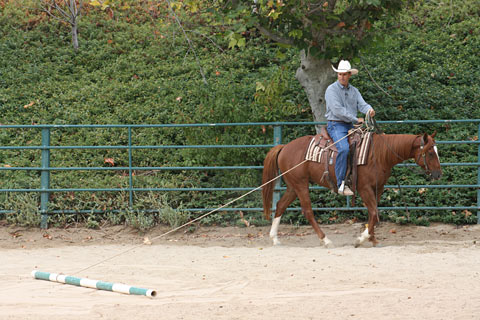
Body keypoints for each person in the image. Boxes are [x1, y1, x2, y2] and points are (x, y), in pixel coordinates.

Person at [325, 60, 375, 196]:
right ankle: (341, 183)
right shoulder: (331, 90)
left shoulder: (354, 91)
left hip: (350, 125)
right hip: (336, 124)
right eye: (339, 74)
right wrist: (355, 119)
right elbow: (337, 110)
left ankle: (361, 177)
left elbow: (362, 104)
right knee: (344, 148)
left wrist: (369, 110)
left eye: (344, 74)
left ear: (349, 75)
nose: (342, 77)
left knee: (369, 145)